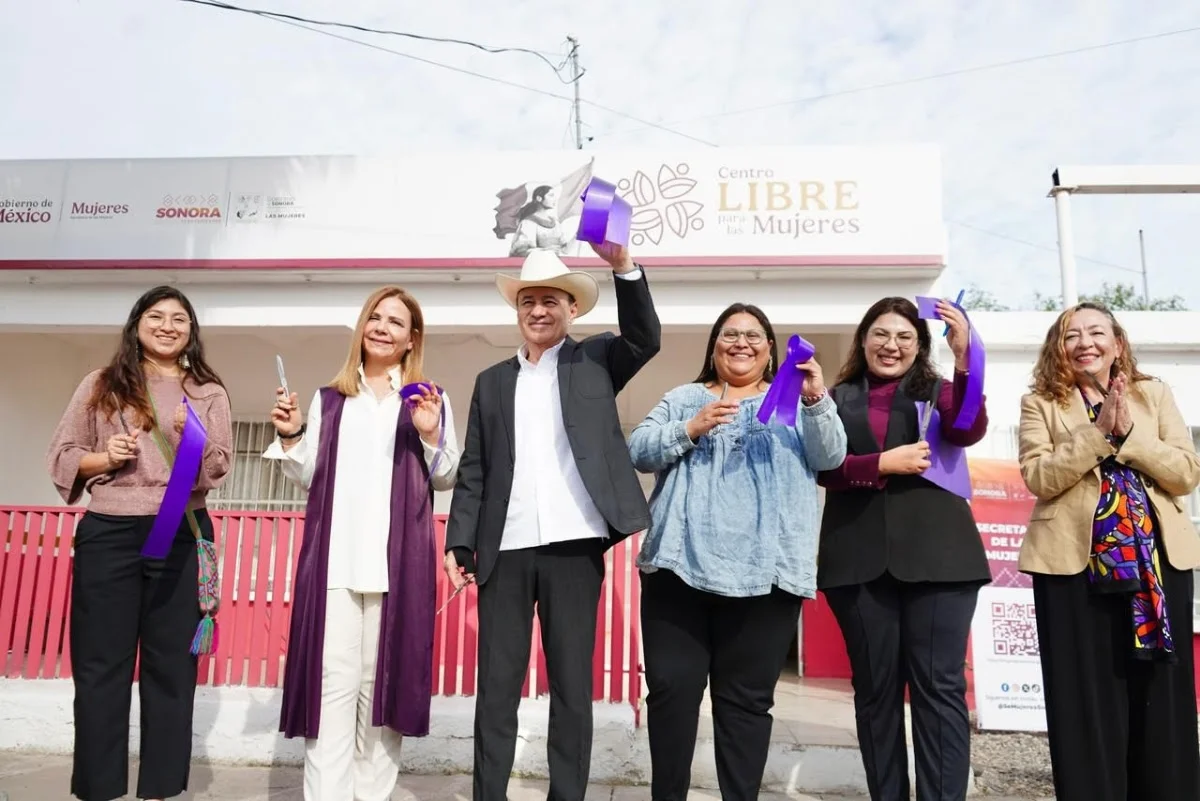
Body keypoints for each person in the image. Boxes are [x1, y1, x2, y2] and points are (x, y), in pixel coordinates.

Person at [444, 244, 660, 801]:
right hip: (505, 551)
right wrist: (459, 540)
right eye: (528, 301)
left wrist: (624, 267)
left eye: (550, 301)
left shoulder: (596, 361)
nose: (538, 311)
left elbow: (646, 338)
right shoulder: (491, 381)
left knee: (570, 689)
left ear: (572, 309)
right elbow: (475, 467)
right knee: (495, 690)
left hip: (574, 547)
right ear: (518, 310)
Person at [627, 303, 847, 801]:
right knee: (671, 696)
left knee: (745, 704)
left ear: (771, 350)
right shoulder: (684, 398)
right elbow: (637, 450)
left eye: (754, 335)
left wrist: (816, 397)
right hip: (678, 570)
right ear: (714, 346)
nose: (741, 342)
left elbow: (830, 456)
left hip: (765, 577)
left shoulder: (795, 401)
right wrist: (691, 427)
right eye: (730, 334)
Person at [264, 286, 460, 801]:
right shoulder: (331, 399)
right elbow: (309, 474)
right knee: (332, 691)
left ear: (411, 338)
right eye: (375, 317)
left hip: (398, 568)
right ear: (362, 327)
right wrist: (290, 437)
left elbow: (445, 477)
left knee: (382, 692)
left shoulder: (427, 398)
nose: (382, 327)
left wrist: (431, 433)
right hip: (334, 565)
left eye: (395, 322)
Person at [46, 285, 233, 801]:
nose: (168, 325)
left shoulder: (208, 392)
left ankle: (160, 791)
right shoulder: (101, 384)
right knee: (101, 665)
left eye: (180, 318)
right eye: (156, 316)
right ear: (137, 324)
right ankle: (99, 789)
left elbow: (218, 465)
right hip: (111, 532)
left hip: (180, 528)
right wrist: (106, 458)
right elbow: (63, 454)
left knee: (172, 667)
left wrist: (188, 434)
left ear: (192, 331)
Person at [1017, 302, 1200, 801]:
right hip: (1072, 567)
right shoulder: (1041, 403)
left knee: (1159, 698)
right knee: (1086, 701)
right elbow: (1039, 476)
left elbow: (1186, 471)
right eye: (1071, 335)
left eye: (1097, 332)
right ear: (1059, 349)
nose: (1085, 343)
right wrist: (1096, 435)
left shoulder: (1153, 394)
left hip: (1157, 569)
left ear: (1117, 343)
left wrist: (1130, 437)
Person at [816, 296, 991, 801]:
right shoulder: (831, 398)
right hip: (858, 565)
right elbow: (821, 467)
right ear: (863, 339)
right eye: (880, 334)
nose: (891, 345)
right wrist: (879, 465)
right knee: (875, 696)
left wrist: (965, 361)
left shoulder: (941, 392)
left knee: (939, 691)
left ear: (920, 345)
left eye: (904, 337)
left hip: (941, 563)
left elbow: (967, 428)